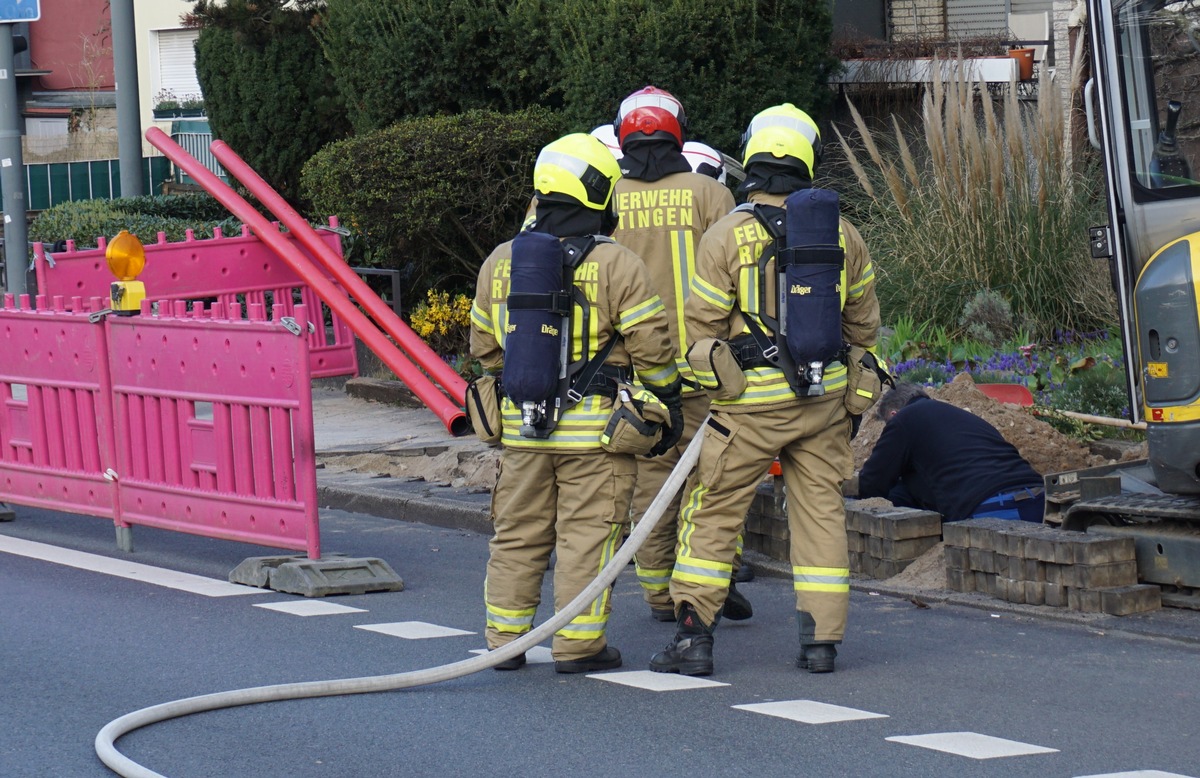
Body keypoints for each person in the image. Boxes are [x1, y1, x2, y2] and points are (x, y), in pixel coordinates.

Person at [650, 103, 881, 677]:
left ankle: (692, 639)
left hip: (748, 411)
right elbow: (865, 329)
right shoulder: (844, 235)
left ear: (751, 157)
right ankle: (820, 644)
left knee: (714, 513)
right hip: (823, 405)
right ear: (808, 161)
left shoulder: (726, 235)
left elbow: (699, 328)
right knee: (821, 516)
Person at [470, 132, 683, 674]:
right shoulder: (618, 264)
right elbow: (651, 348)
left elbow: (485, 350)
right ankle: (577, 645)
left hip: (523, 431)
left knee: (518, 531)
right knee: (588, 535)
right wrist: (666, 397)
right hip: (596, 435)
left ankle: (505, 642)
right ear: (596, 193)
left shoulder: (500, 261)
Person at [608, 86, 741, 622]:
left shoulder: (602, 195)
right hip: (705, 366)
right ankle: (710, 584)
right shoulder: (711, 196)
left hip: (633, 370)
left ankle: (661, 593)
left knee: (651, 483)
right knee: (717, 479)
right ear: (678, 134)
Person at [855, 382, 1045, 522]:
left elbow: (872, 484)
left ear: (893, 414)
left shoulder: (903, 420)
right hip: (1039, 498)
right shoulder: (961, 417)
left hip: (991, 507)